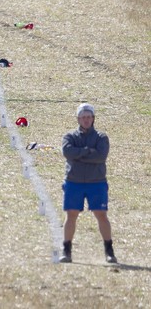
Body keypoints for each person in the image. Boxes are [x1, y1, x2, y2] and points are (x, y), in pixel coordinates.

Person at [59, 103, 117, 264]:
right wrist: (88, 151)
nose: (86, 120)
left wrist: (78, 154)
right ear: (78, 119)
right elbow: (67, 152)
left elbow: (101, 157)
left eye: (89, 117)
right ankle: (67, 250)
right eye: (83, 117)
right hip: (73, 182)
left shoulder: (101, 137)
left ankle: (109, 251)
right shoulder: (69, 137)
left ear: (93, 118)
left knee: (101, 215)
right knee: (71, 215)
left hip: (96, 183)